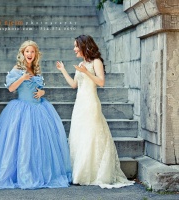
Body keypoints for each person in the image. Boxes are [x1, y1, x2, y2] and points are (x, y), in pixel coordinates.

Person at [0, 40, 72, 189]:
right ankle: (22, 173)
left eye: (32, 52)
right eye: (27, 51)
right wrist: (22, 77)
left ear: (36, 54)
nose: (30, 54)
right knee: (22, 144)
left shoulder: (37, 70)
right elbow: (11, 88)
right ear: (22, 53)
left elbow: (41, 88)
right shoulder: (17, 69)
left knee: (38, 145)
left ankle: (38, 172)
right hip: (21, 110)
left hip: (39, 109)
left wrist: (42, 92)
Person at [56, 35, 135, 189]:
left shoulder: (96, 62)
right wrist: (63, 70)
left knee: (92, 135)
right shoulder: (81, 63)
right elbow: (74, 85)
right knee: (79, 136)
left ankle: (92, 174)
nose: (74, 49)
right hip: (79, 104)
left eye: (76, 46)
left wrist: (86, 72)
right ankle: (79, 173)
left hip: (91, 103)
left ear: (84, 46)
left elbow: (101, 82)